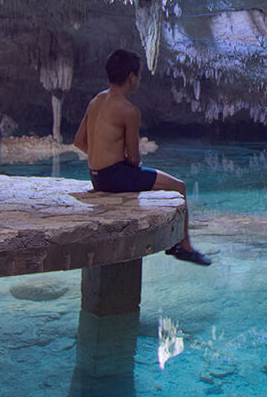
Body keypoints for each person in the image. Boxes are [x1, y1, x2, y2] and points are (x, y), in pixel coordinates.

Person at [74, 48, 211, 266]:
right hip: (115, 177)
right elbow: (134, 159)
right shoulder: (128, 110)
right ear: (131, 77)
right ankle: (183, 246)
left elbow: (79, 142)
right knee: (179, 186)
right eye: (138, 75)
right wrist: (118, 166)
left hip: (97, 177)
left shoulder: (96, 101)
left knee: (149, 178)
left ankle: (179, 244)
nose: (139, 80)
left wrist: (101, 159)